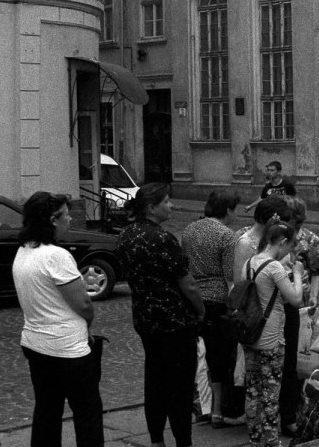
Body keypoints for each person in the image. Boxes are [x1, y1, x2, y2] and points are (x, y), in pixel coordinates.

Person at [117, 183, 205, 447]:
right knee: (179, 385)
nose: (172, 205)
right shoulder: (162, 238)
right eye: (167, 201)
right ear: (152, 207)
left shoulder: (127, 235)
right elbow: (187, 283)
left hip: (146, 317)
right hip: (174, 320)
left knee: (154, 379)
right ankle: (183, 440)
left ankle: (156, 439)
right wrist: (200, 310)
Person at [13, 192, 103, 447]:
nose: (71, 220)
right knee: (87, 412)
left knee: (47, 410)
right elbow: (83, 304)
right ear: (53, 220)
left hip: (35, 343)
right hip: (67, 349)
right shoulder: (56, 255)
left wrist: (79, 286)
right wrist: (88, 319)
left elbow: (48, 291)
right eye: (67, 215)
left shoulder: (24, 251)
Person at [180, 190, 242, 428]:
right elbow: (230, 276)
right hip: (216, 300)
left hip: (191, 296)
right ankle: (217, 410)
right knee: (219, 356)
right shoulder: (226, 235)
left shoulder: (189, 230)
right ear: (227, 210)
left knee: (197, 354)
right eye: (234, 209)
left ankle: (199, 405)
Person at [242, 221, 304, 447]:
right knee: (270, 390)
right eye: (289, 247)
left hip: (251, 335)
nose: (289, 252)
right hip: (271, 338)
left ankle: (254, 437)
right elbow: (296, 299)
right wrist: (296, 273)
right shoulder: (275, 267)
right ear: (282, 242)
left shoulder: (249, 262)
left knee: (253, 389)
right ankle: (270, 441)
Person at [277, 197, 319, 434]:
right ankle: (279, 411)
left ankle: (293, 411)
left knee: (297, 362)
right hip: (275, 306)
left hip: (300, 307)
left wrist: (314, 295)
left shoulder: (311, 240)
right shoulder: (274, 238)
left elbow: (317, 271)